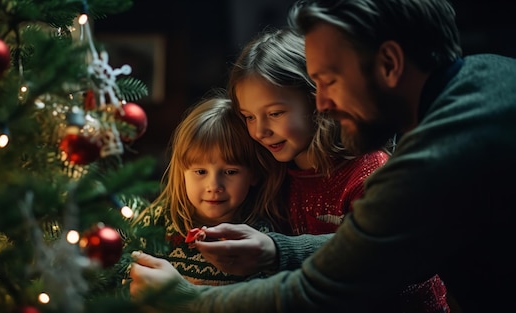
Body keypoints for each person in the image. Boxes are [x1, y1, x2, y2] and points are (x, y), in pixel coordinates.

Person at [128, 0, 516, 312]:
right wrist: (279, 249)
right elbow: (374, 248)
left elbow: (330, 287)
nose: (323, 104)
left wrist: (190, 300)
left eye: (329, 81)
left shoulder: (438, 156)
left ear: (389, 64)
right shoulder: (488, 78)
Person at [129, 96, 285, 286]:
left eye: (230, 172)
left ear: (254, 175)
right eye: (200, 171)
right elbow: (124, 270)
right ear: (183, 173)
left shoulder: (258, 238)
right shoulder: (157, 220)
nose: (214, 186)